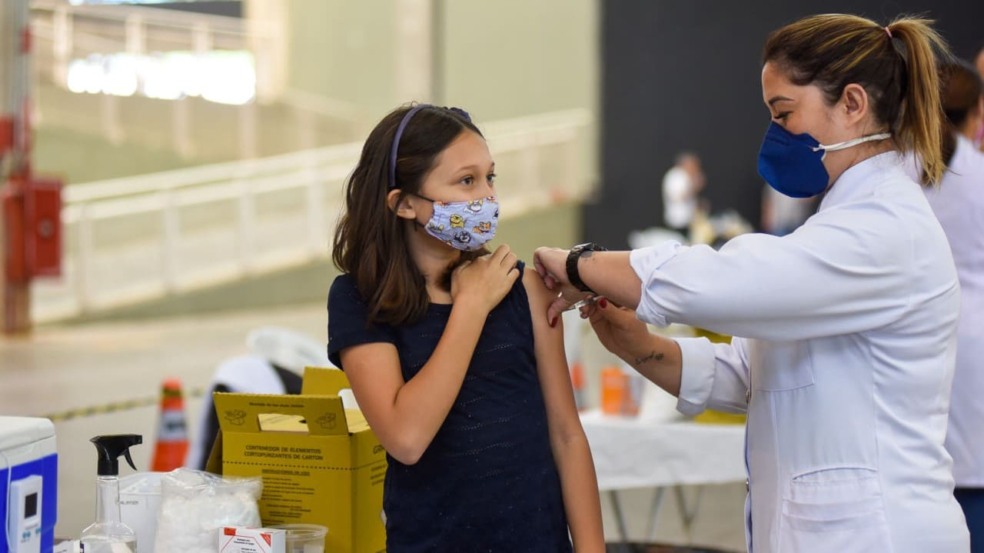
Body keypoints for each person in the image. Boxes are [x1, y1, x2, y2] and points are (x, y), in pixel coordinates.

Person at [533, 14, 969, 553]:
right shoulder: (841, 224)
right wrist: (639, 346)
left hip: (880, 533)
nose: (775, 134)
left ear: (853, 105)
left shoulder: (885, 230)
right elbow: (752, 374)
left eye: (784, 114)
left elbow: (724, 281)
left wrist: (578, 264)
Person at [326, 104, 604, 552]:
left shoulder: (523, 287)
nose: (487, 198)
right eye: (466, 181)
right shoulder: (359, 299)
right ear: (404, 203)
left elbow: (567, 434)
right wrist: (470, 307)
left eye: (490, 177)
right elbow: (406, 438)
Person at [924, 58, 984, 553]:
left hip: (914, 339)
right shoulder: (978, 175)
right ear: (977, 111)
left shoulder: (899, 173)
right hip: (973, 343)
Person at [661, 152, 706, 235]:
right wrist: (695, 186)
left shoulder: (685, 176)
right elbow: (678, 197)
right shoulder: (676, 176)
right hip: (678, 221)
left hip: (688, 220)